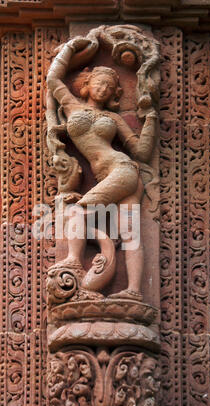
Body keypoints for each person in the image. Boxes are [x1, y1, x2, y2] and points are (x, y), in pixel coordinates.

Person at [47, 37, 158, 301]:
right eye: (99, 83)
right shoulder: (72, 106)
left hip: (123, 170)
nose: (104, 88)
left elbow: (141, 152)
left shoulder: (114, 118)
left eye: (110, 87)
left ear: (114, 94)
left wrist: (151, 116)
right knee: (130, 235)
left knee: (78, 213)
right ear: (86, 86)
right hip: (117, 177)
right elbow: (53, 80)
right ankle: (132, 291)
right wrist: (70, 48)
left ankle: (74, 260)